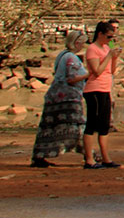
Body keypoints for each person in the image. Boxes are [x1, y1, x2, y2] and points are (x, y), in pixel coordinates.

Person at [31, 29, 89, 167]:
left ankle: (40, 155)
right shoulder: (71, 58)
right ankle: (89, 154)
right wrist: (89, 74)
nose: (83, 46)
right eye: (82, 43)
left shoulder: (62, 55)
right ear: (76, 43)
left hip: (55, 97)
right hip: (68, 97)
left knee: (49, 127)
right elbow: (71, 78)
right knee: (78, 125)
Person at [82, 20, 122, 169]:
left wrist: (114, 57)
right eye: (108, 37)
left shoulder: (108, 46)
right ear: (100, 34)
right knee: (92, 124)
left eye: (112, 37)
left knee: (104, 125)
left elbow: (111, 70)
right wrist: (108, 56)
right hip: (94, 89)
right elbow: (96, 70)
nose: (110, 40)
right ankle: (89, 159)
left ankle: (106, 157)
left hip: (105, 88)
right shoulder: (92, 49)